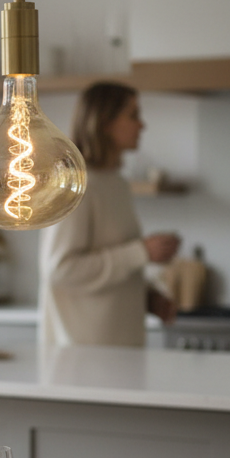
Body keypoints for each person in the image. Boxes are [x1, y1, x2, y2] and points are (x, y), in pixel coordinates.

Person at [39, 81, 179, 347]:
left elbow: (111, 264)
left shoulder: (116, 184)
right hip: (82, 357)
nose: (142, 125)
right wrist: (142, 252)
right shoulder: (74, 185)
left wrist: (146, 297)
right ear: (104, 122)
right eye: (133, 115)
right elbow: (60, 270)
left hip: (119, 350)